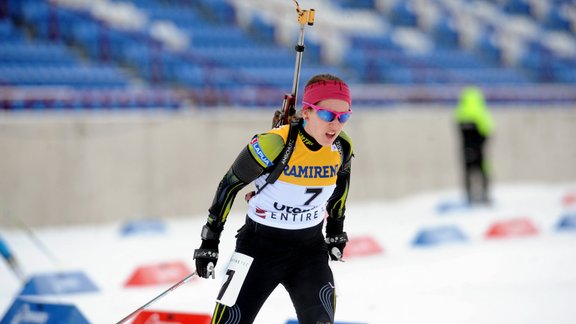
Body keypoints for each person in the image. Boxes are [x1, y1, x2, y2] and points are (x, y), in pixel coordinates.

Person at [193, 73, 354, 324]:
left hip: (309, 251)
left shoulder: (342, 146)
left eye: (343, 116)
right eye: (327, 115)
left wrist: (336, 230)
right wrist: (209, 242)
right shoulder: (274, 143)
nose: (335, 124)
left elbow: (340, 189)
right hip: (259, 248)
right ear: (307, 112)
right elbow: (229, 186)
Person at [455, 86, 494, 205]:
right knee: (483, 170)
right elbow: (488, 130)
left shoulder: (460, 111)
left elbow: (457, 128)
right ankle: (485, 195)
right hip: (479, 149)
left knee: (468, 171)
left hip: (466, 150)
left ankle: (469, 195)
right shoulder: (481, 112)